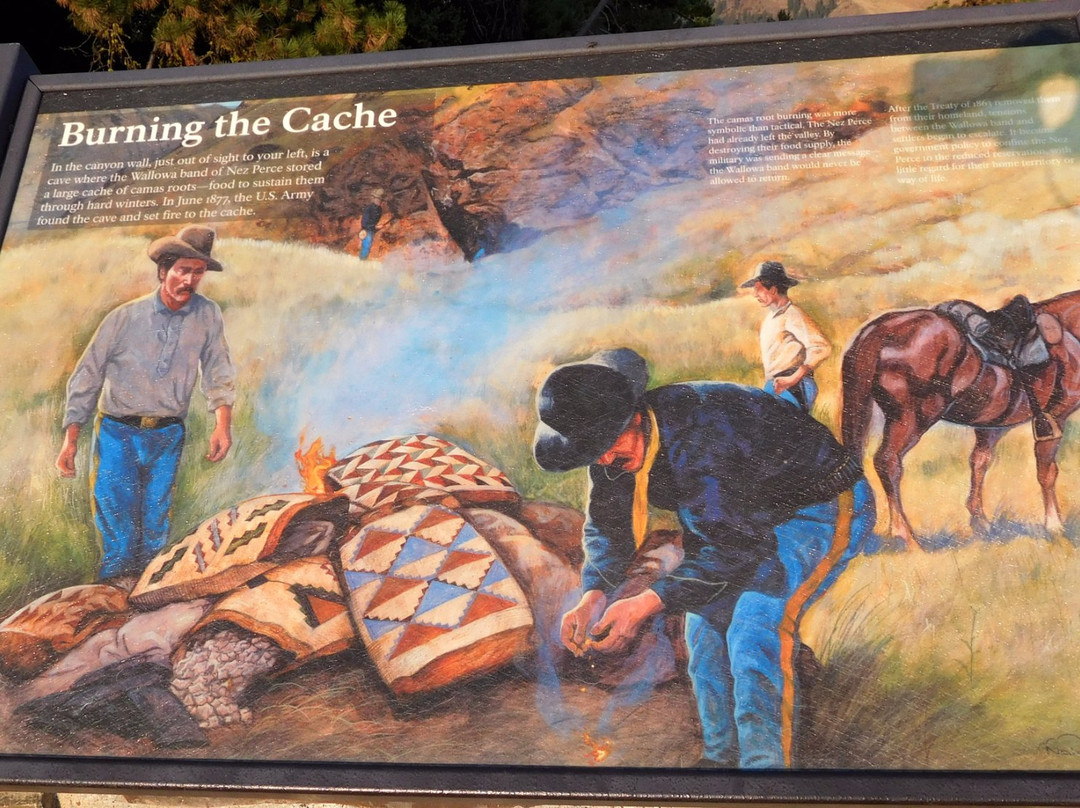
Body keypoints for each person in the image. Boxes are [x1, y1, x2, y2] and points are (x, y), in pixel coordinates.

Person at [532, 348, 875, 768]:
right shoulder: (612, 454)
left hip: (815, 508)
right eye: (590, 449)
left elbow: (732, 548)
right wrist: (594, 595)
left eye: (607, 442)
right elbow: (609, 526)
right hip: (738, 523)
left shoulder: (702, 432)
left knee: (753, 627)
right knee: (702, 634)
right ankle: (719, 760)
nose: (604, 459)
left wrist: (644, 603)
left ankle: (764, 771)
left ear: (634, 416)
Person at [55, 225, 236, 583]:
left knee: (155, 526)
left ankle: (150, 597)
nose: (189, 280)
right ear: (163, 270)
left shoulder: (207, 314)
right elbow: (87, 376)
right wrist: (70, 439)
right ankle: (114, 595)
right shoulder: (124, 318)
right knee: (118, 529)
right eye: (183, 270)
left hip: (168, 435)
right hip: (117, 434)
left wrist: (222, 425)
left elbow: (218, 369)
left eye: (198, 272)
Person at [741, 261, 831, 411]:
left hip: (794, 386)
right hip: (776, 384)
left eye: (758, 289)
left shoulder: (793, 314)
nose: (755, 294)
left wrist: (793, 378)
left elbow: (821, 347)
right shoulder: (770, 319)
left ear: (773, 289)